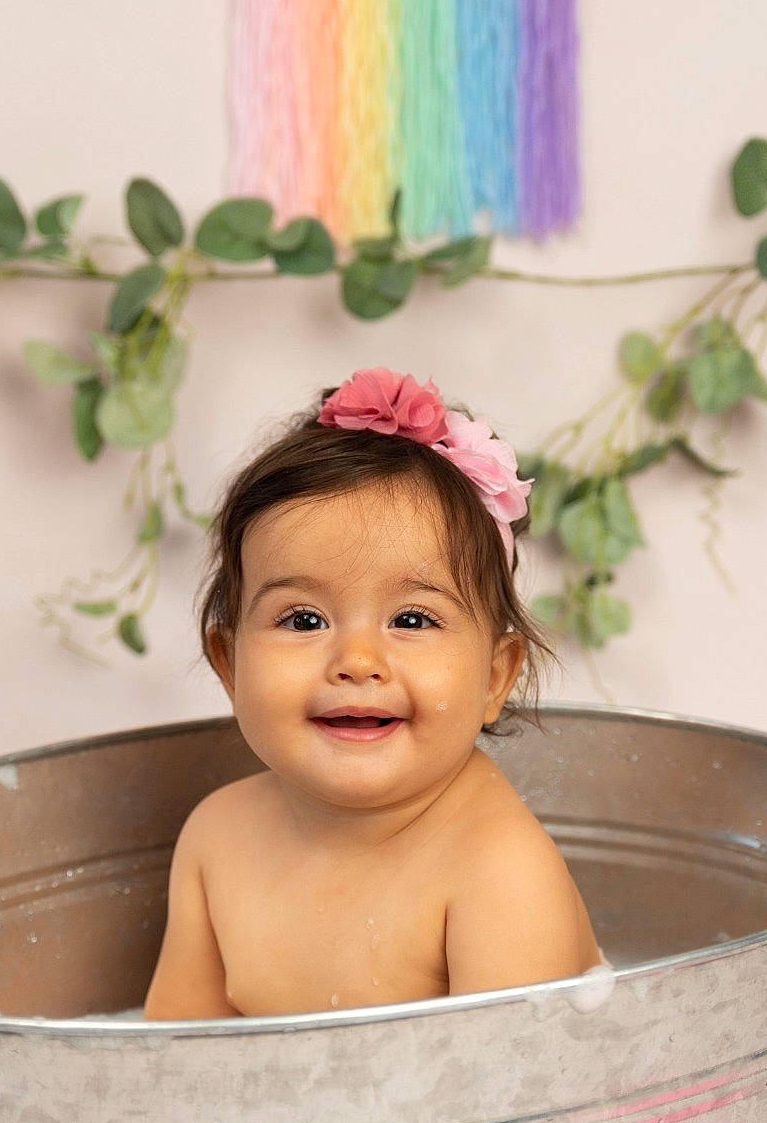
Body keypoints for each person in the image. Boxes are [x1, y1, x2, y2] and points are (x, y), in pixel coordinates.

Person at [142, 366, 605, 1019]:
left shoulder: (498, 872)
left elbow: (516, 1109)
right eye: (303, 619)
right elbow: (167, 1070)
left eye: (411, 619)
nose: (357, 661)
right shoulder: (216, 840)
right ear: (229, 665)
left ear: (495, 677)